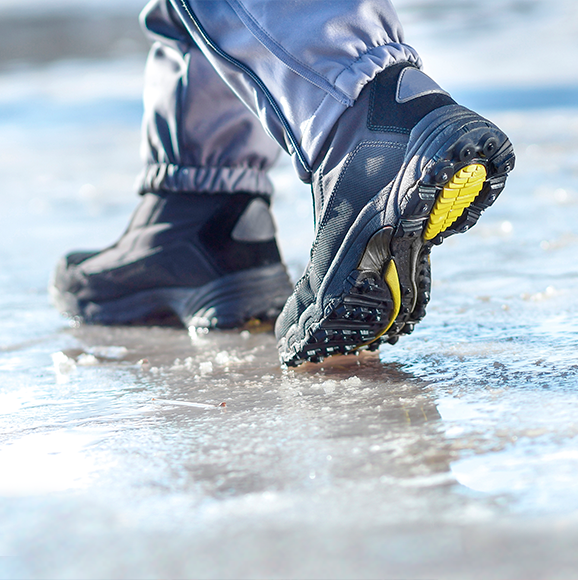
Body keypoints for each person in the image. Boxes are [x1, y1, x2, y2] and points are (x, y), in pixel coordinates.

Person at [50, 0, 515, 367]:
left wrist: (351, 83)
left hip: (359, 106)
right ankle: (198, 210)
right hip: (203, 195)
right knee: (197, 12)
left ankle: (365, 123)